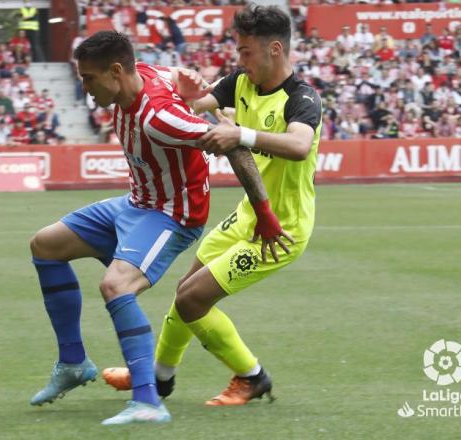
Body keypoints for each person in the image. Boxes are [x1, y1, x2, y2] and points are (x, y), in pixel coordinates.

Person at [28, 30, 283, 425]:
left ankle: (148, 402)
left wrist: (264, 214)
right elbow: (181, 77)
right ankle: (73, 364)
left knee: (116, 286)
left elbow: (232, 145)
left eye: (88, 78)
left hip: (171, 215)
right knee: (45, 245)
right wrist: (190, 81)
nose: (84, 88)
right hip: (135, 204)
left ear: (115, 72)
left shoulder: (159, 118)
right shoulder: (143, 72)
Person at [103, 4, 322, 406]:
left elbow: (299, 145)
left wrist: (241, 135)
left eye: (246, 52)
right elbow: (192, 109)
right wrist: (183, 97)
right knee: (186, 291)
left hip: (281, 230)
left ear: (275, 49)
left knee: (191, 300)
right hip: (247, 216)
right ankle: (159, 378)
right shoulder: (239, 82)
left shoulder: (301, 97)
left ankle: (252, 376)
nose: (239, 60)